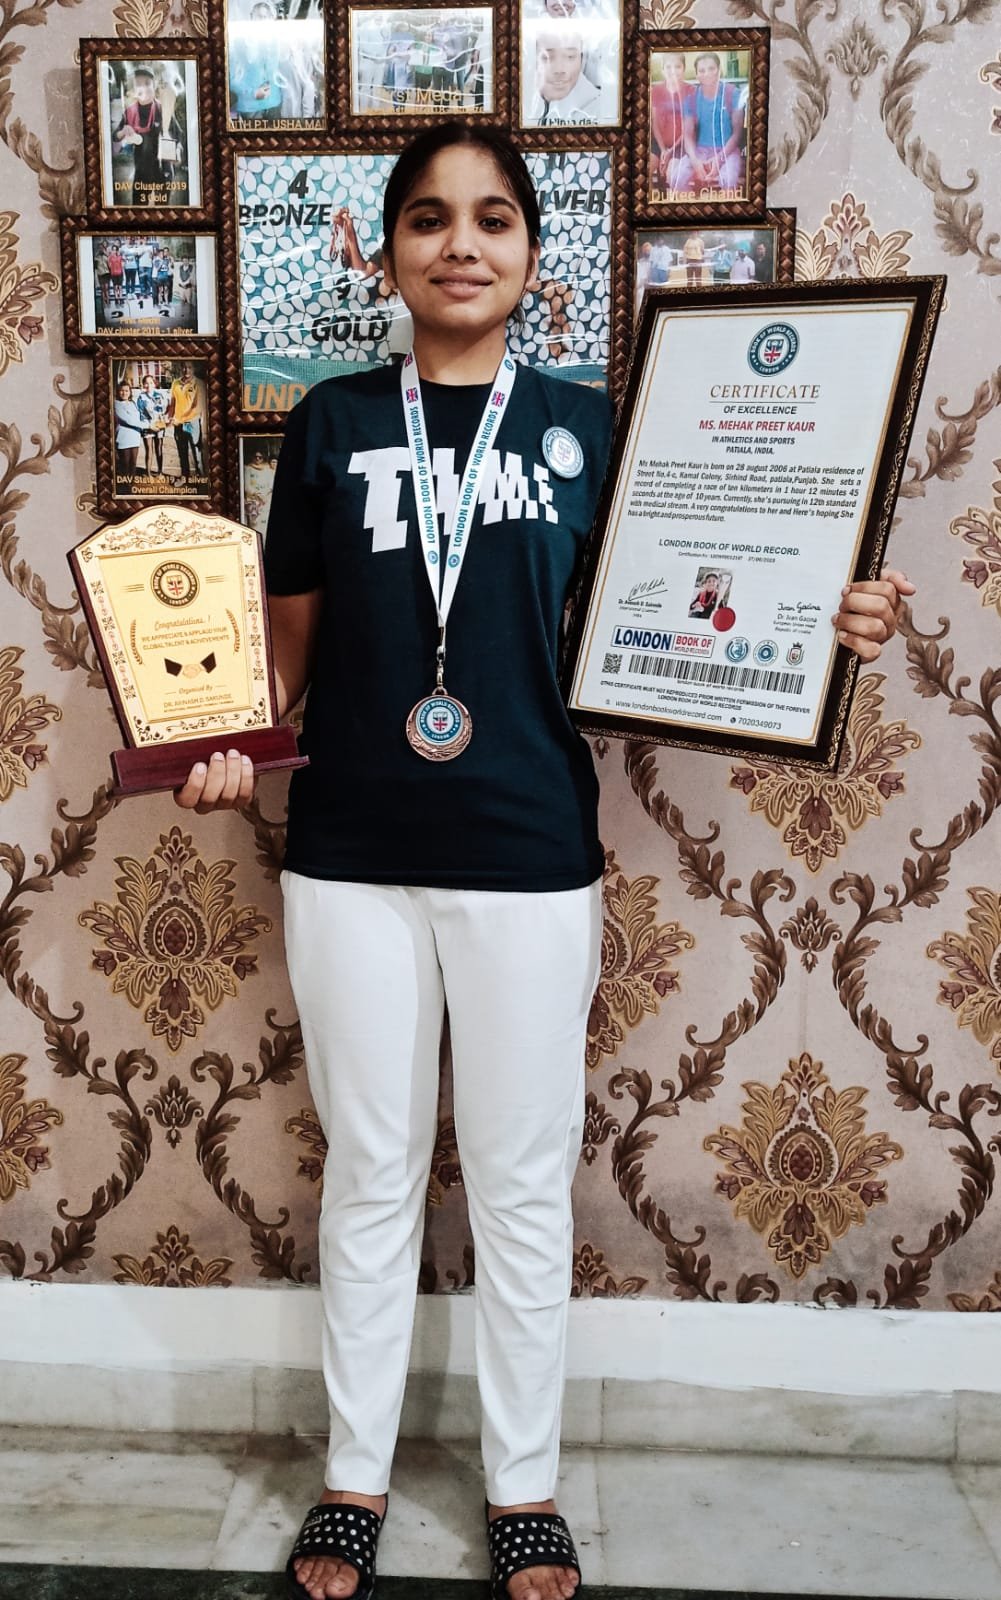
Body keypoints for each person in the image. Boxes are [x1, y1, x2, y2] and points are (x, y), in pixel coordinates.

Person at [174, 121, 915, 1600]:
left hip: (528, 850)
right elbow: (283, 656)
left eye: (493, 218)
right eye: (429, 218)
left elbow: (700, 592)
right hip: (350, 854)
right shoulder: (328, 423)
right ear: (388, 252)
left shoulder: (591, 426)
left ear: (532, 253)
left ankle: (522, 1484)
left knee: (518, 1185)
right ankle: (354, 1477)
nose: (460, 243)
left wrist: (821, 616)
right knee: (370, 1176)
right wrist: (219, 740)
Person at [111, 65, 182, 206]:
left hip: (164, 171)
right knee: (138, 211)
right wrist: (123, 131)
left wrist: (177, 150)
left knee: (163, 213)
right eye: (138, 84)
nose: (143, 87)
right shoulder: (130, 112)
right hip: (142, 172)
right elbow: (115, 136)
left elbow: (179, 135)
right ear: (135, 88)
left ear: (154, 86)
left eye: (147, 83)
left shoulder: (163, 109)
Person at [675, 51, 745, 195]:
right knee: (677, 177)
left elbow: (737, 134)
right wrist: (695, 160)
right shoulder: (691, 99)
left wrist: (719, 159)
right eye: (702, 70)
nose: (707, 74)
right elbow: (687, 135)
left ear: (719, 70)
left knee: (728, 180)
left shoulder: (733, 94)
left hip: (728, 150)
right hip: (700, 151)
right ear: (697, 75)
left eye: (711, 68)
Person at [528, 27, 604, 124]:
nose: (559, 70)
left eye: (570, 57)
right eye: (547, 57)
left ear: (581, 59)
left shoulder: (598, 109)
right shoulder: (525, 101)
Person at [229, 0, 285, 122]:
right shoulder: (239, 43)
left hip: (275, 105)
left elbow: (284, 74)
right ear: (251, 17)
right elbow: (231, 78)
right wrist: (253, 93)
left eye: (266, 17)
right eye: (259, 16)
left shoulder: (277, 42)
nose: (263, 20)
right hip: (251, 108)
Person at [649, 52, 693, 193]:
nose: (673, 70)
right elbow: (655, 123)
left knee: (672, 174)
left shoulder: (691, 91)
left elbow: (688, 128)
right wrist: (663, 150)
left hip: (681, 144)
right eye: (668, 67)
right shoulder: (656, 91)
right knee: (643, 170)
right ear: (663, 69)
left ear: (684, 69)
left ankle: (676, 204)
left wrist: (669, 152)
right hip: (659, 143)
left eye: (677, 66)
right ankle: (651, 204)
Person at [166, 362, 203, 480]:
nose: (186, 370)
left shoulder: (199, 383)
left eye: (189, 367)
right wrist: (170, 417)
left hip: (192, 423)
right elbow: (173, 403)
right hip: (178, 423)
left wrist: (181, 418)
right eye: (184, 367)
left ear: (194, 368)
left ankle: (200, 478)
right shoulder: (175, 383)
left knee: (196, 453)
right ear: (181, 368)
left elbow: (196, 407)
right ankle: (184, 476)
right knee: (182, 452)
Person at [113, 380, 145, 482]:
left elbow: (139, 418)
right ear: (118, 392)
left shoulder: (133, 403)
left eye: (126, 391)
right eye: (121, 390)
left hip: (135, 437)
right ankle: (125, 487)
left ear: (130, 392)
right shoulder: (116, 404)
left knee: (133, 464)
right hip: (123, 439)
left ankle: (131, 485)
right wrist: (149, 426)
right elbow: (129, 420)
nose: (124, 393)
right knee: (125, 465)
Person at [136, 372, 167, 474]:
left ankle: (160, 472)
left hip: (158, 426)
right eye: (146, 383)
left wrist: (161, 422)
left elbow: (162, 410)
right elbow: (140, 413)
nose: (148, 385)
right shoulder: (141, 397)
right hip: (147, 426)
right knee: (149, 450)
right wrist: (149, 425)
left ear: (154, 384)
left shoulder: (159, 395)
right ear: (143, 384)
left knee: (159, 449)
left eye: (151, 382)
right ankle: (148, 474)